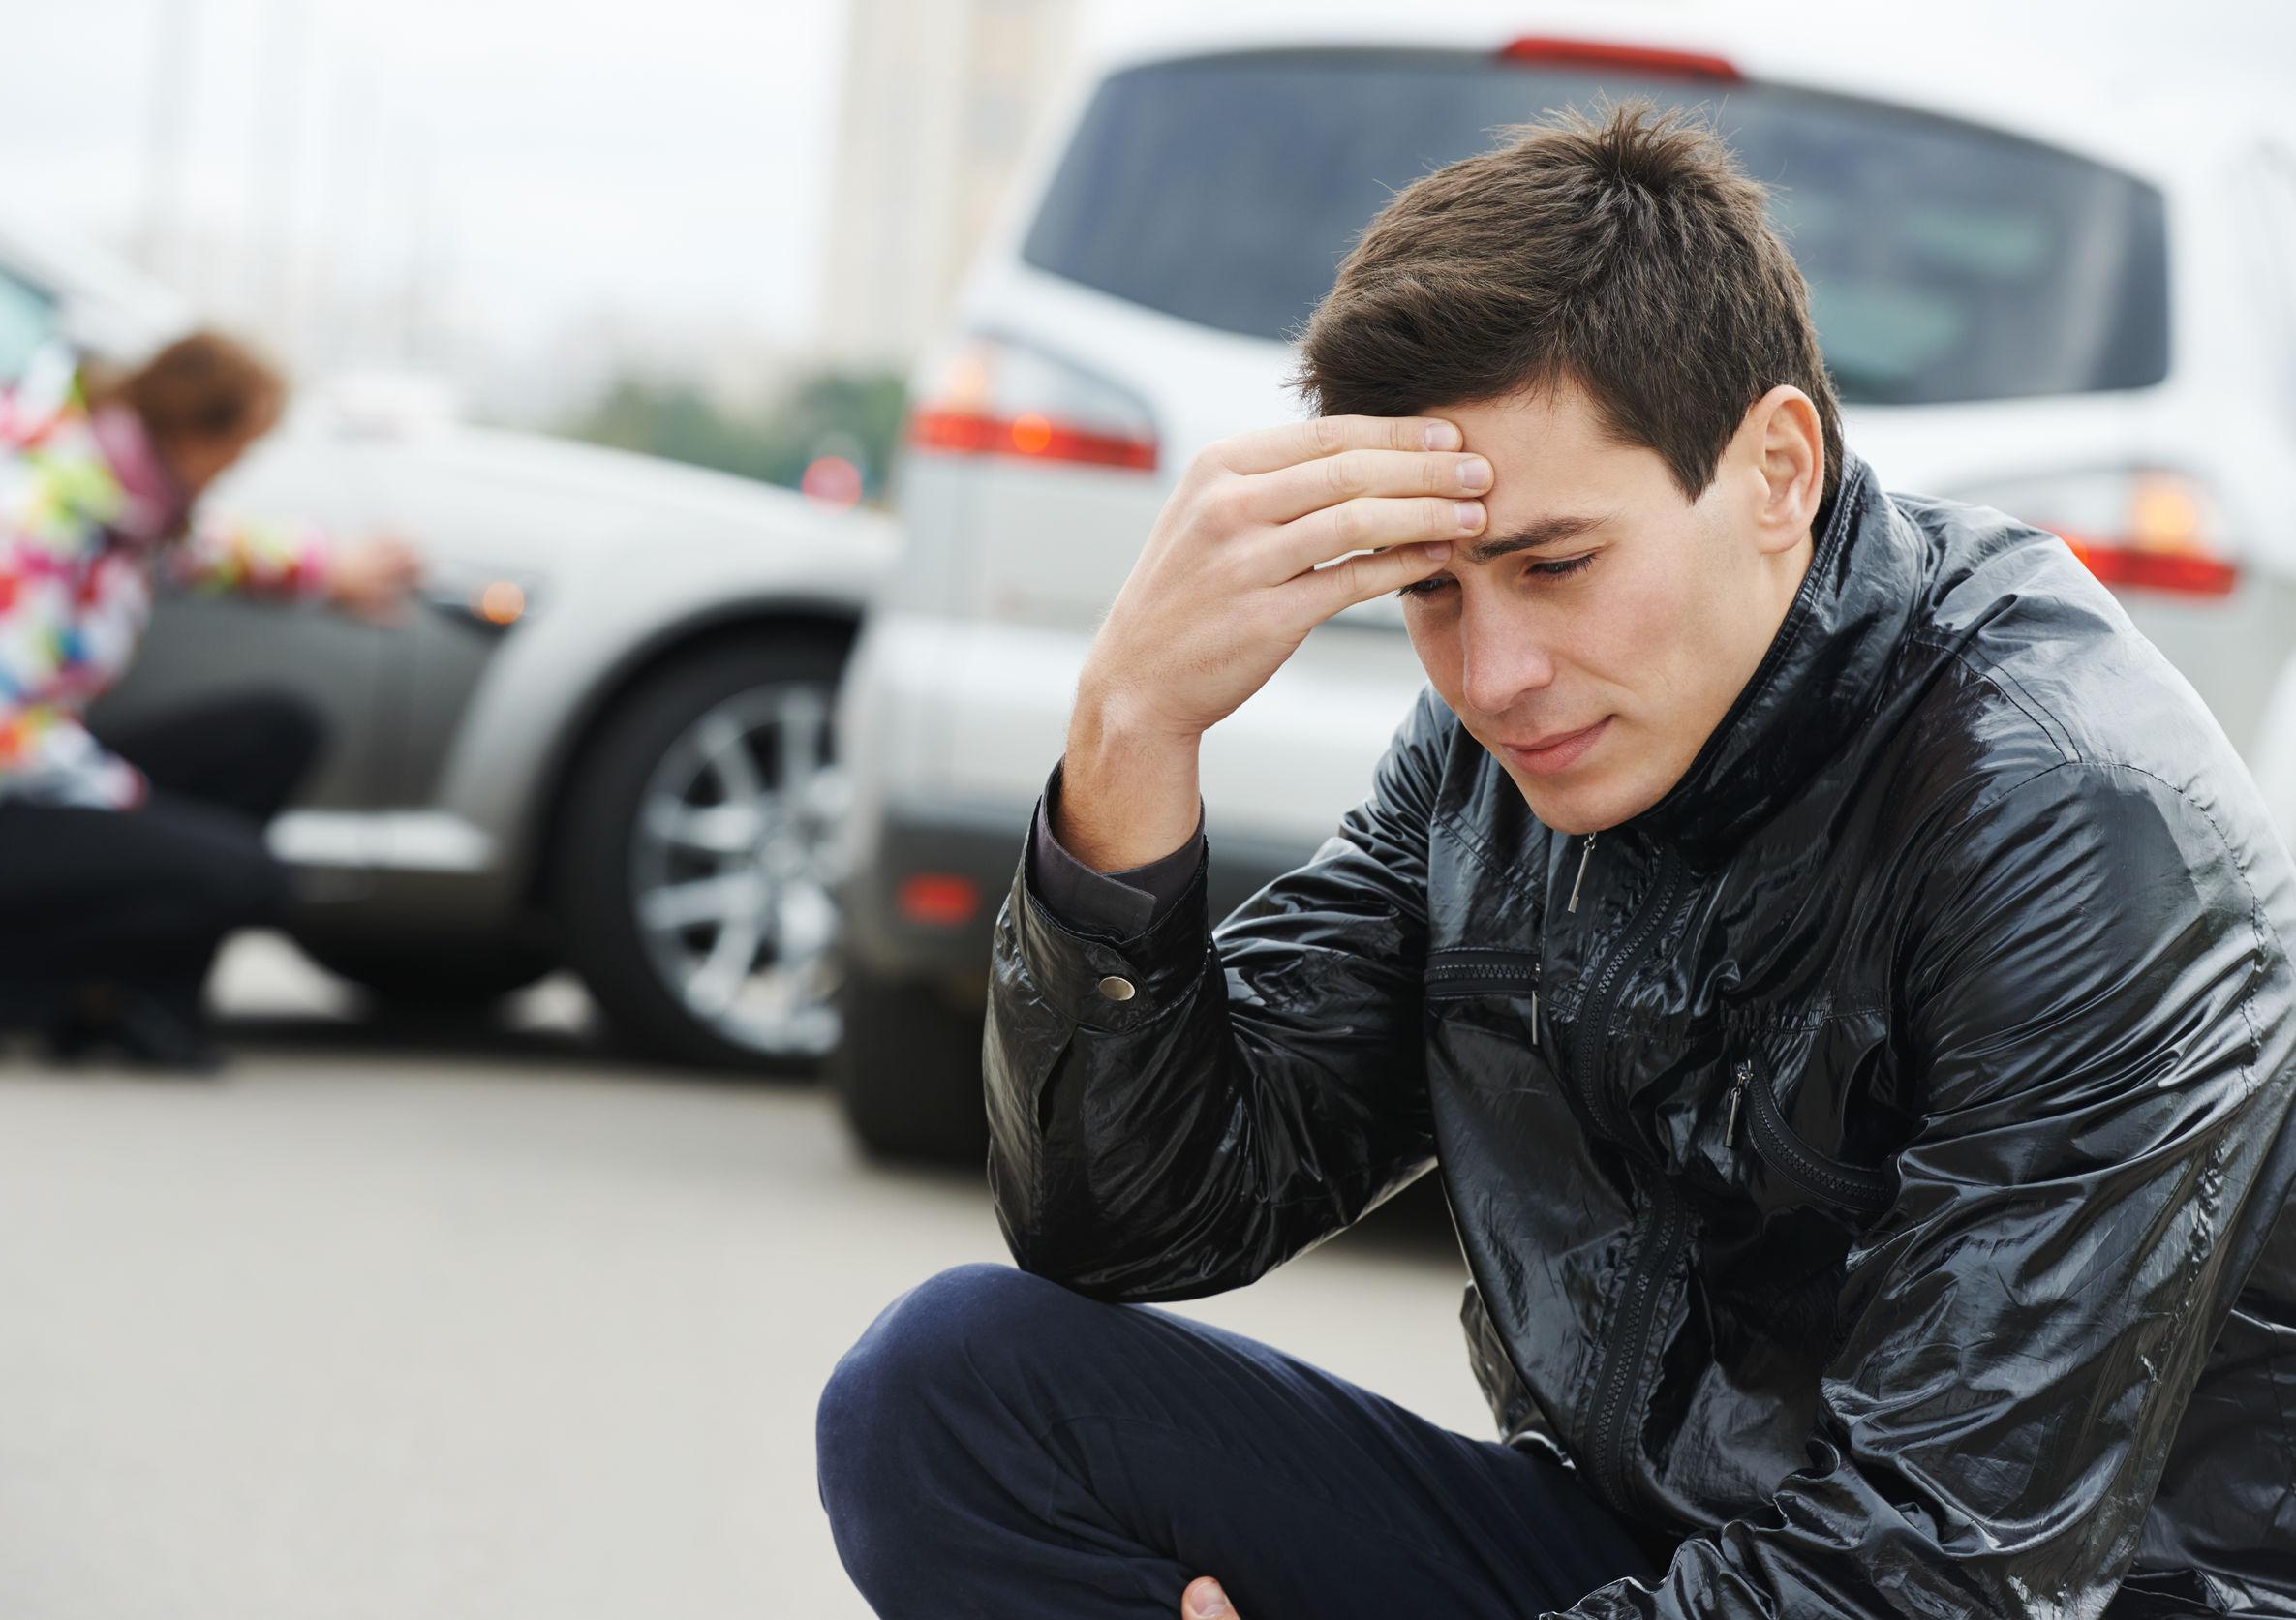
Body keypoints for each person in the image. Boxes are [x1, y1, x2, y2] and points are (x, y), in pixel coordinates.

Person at [815, 105, 2296, 1619]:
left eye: (1553, 564)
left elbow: (1930, 1562)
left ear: (1774, 468)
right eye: (1432, 588)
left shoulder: (2068, 812)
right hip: (1655, 1556)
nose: (1494, 670)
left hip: (2037, 1596)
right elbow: (1137, 1215)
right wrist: (1129, 728)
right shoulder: (1501, 750)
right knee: (947, 1396)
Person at [0, 330, 420, 1067]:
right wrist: (137, 807)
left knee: (276, 731)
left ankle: (134, 999)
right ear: (193, 431)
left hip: (14, 776)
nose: (236, 468)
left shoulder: (121, 497)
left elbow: (211, 549)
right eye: (240, 448)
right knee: (242, 872)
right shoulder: (27, 517)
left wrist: (333, 571)